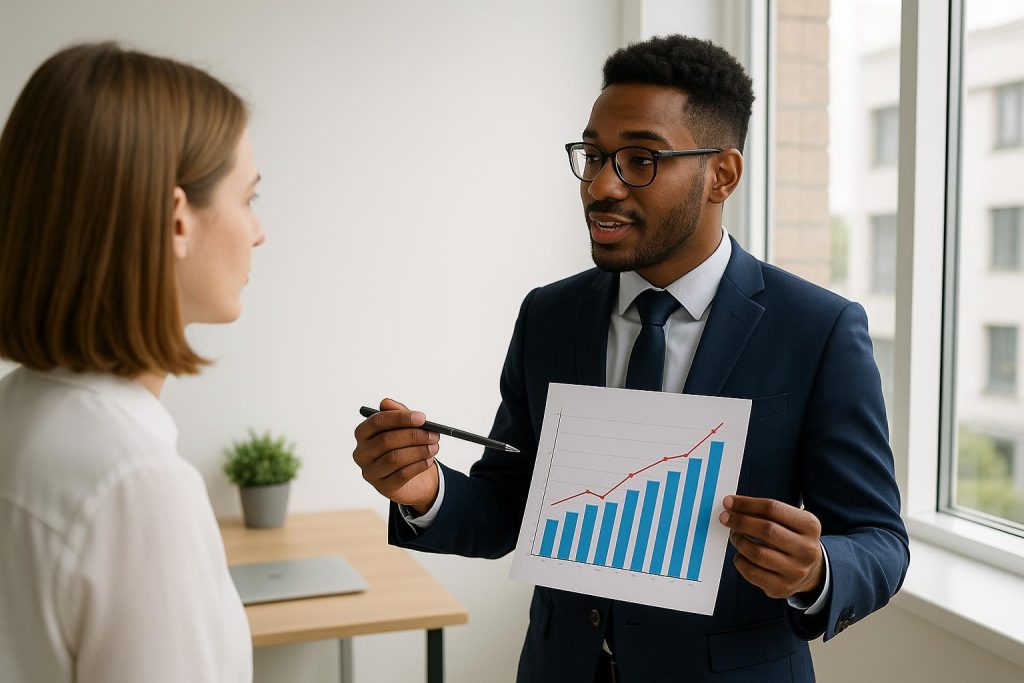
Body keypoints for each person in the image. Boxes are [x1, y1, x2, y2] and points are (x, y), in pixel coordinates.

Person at [353, 35, 909, 682]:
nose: (602, 184)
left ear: (721, 174)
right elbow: (512, 504)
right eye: (594, 155)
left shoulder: (818, 330)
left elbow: (879, 540)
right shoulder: (548, 316)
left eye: (639, 159)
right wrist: (428, 491)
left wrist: (816, 570)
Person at [0, 43, 264, 682]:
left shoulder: (17, 411)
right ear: (178, 220)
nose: (257, 232)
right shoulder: (136, 484)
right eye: (249, 199)